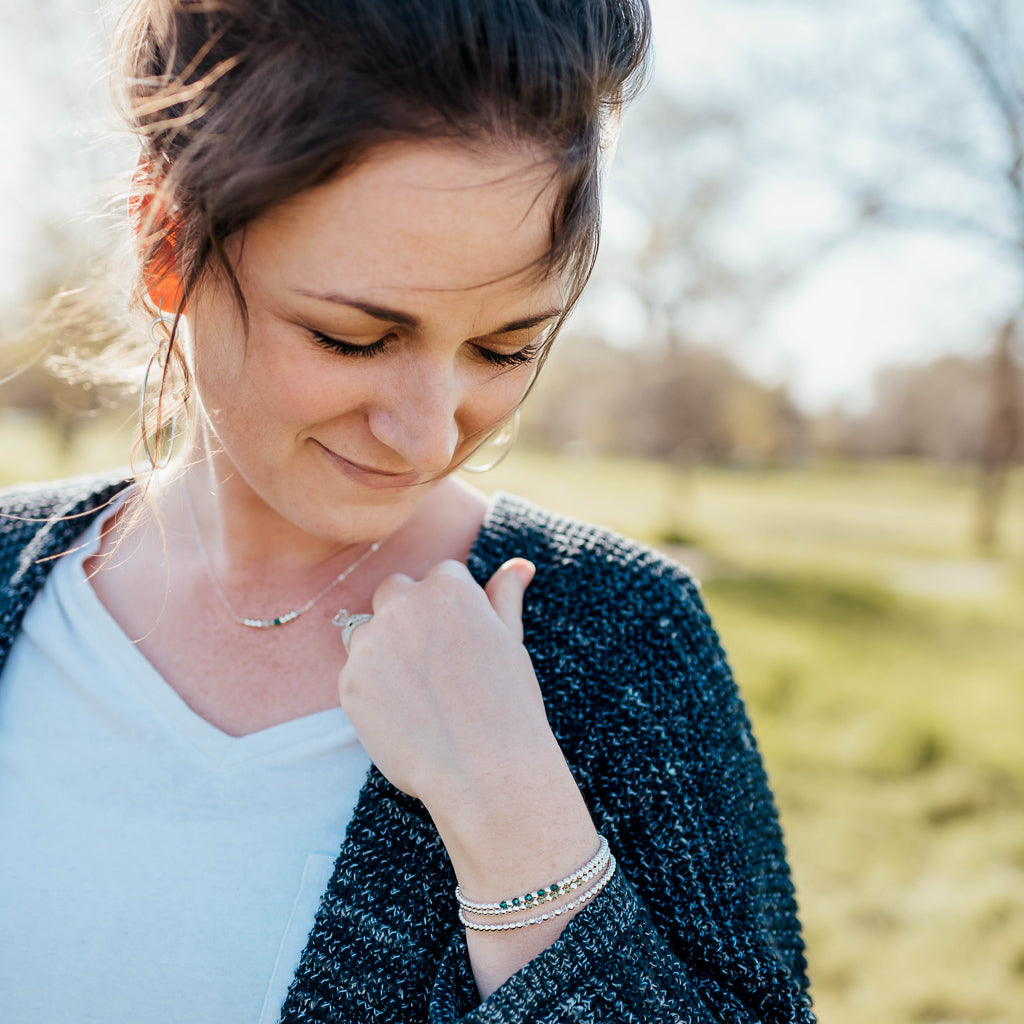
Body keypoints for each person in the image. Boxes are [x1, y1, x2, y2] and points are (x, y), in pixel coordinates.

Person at [0, 1, 815, 1021]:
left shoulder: (619, 639)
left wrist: (516, 825)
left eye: (505, 347)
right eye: (352, 338)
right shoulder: (9, 567)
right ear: (169, 243)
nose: (430, 438)